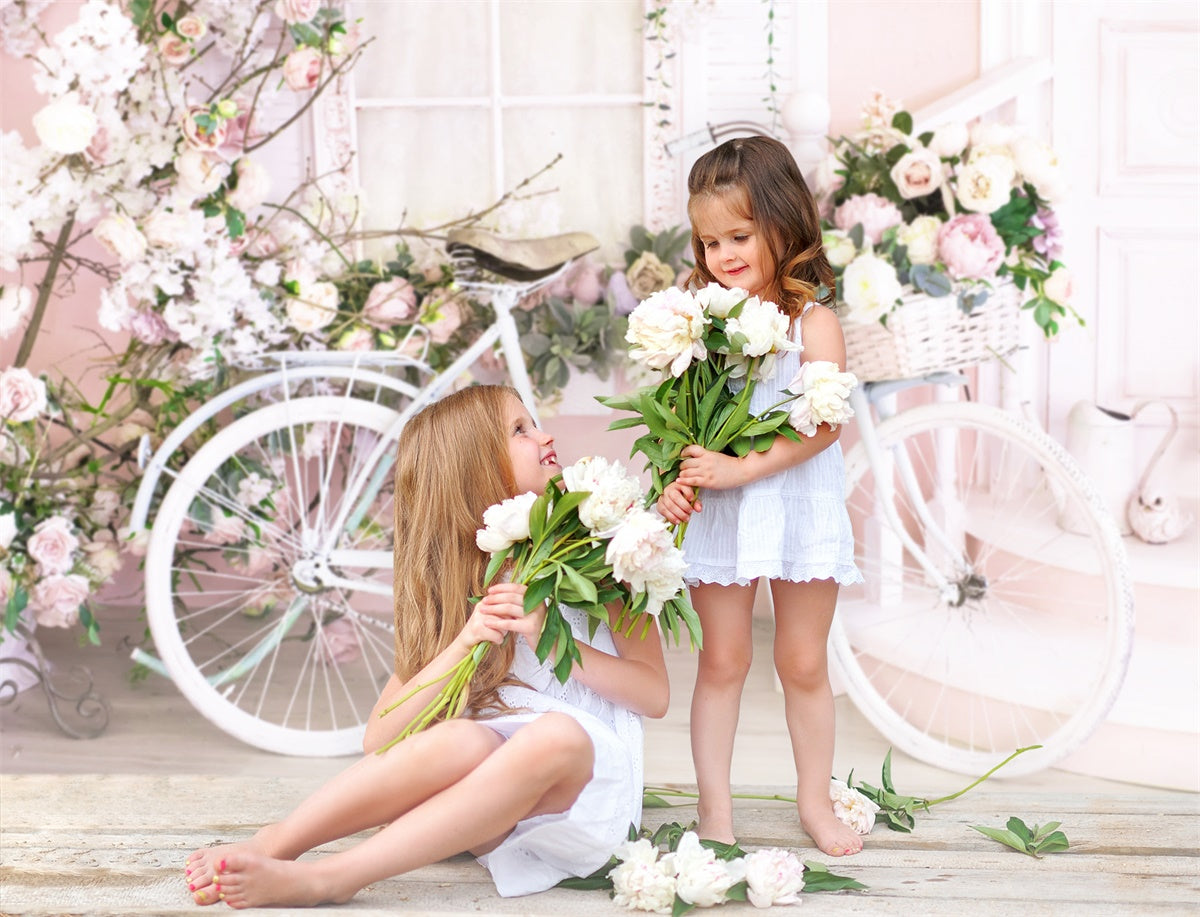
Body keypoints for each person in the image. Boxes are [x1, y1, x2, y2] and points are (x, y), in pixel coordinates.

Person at [183, 385, 669, 908]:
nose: (544, 436)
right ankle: (277, 842)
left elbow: (654, 695)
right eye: (520, 430)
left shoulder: (609, 551)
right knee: (461, 740)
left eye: (532, 424)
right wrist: (464, 640)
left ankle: (335, 877)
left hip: (588, 803)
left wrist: (549, 639)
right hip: (495, 814)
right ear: (475, 468)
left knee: (556, 735)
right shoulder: (465, 579)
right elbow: (380, 735)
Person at [657, 135, 864, 856]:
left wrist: (743, 468)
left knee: (802, 662)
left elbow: (825, 424)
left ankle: (815, 800)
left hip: (797, 503)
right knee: (723, 660)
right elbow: (678, 423)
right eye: (710, 241)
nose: (723, 254)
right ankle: (715, 809)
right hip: (724, 511)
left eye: (739, 236)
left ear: (783, 222)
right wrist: (677, 481)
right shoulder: (699, 324)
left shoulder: (814, 323)